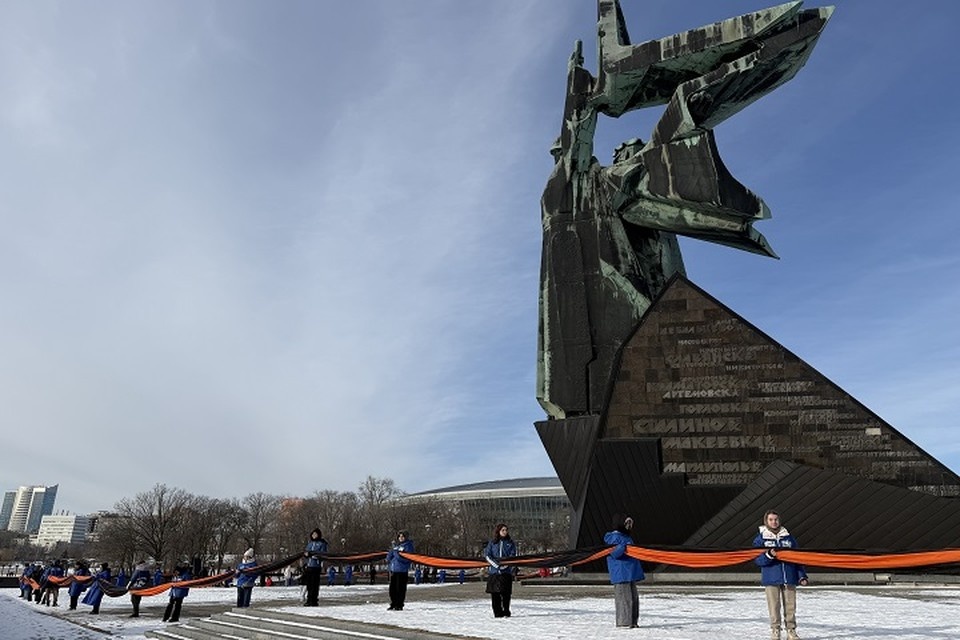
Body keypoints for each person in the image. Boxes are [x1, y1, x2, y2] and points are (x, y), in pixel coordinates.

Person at [754, 510, 808, 640]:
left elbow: (798, 558)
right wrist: (769, 555)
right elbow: (757, 560)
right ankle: (775, 630)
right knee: (774, 606)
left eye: (776, 519)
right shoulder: (761, 539)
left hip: (789, 577)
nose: (774, 522)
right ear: (766, 521)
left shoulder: (789, 538)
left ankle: (791, 630)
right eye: (771, 520)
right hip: (771, 578)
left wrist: (802, 575)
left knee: (790, 606)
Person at [604, 513, 644, 629]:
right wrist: (624, 546)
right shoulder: (612, 537)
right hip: (621, 573)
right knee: (624, 599)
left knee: (633, 599)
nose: (629, 526)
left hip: (630, 572)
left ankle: (633, 621)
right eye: (627, 523)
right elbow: (615, 553)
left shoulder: (627, 537)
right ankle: (624, 622)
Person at [483, 523, 517, 618]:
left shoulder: (510, 543)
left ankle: (506, 611)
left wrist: (505, 566)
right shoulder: (492, 543)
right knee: (495, 594)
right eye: (503, 530)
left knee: (506, 594)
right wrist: (496, 565)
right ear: (498, 531)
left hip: (506, 572)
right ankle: (497, 613)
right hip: (494, 573)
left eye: (506, 530)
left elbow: (512, 555)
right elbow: (487, 555)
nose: (505, 532)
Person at [386, 530, 414, 611]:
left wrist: (396, 554)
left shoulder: (408, 546)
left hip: (402, 571)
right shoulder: (397, 546)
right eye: (399, 536)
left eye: (402, 536)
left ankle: (399, 604)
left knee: (400, 589)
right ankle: (393, 603)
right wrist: (392, 550)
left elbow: (406, 559)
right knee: (392, 589)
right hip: (394, 570)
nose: (401, 538)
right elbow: (389, 557)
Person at [302, 528, 328, 606]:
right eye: (313, 534)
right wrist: (306, 557)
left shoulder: (322, 543)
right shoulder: (310, 543)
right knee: (309, 584)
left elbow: (322, 554)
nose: (314, 536)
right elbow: (306, 552)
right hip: (309, 566)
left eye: (315, 534)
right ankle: (308, 599)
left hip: (316, 567)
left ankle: (314, 600)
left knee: (314, 584)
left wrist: (312, 555)